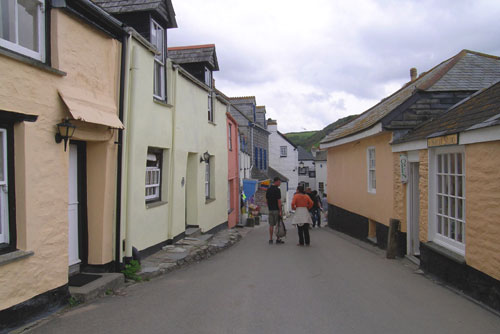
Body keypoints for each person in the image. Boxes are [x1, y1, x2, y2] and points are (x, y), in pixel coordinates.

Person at [265, 177, 283, 244]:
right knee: (277, 225)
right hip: (276, 209)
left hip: (270, 210)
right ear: (276, 181)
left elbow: (266, 200)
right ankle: (278, 239)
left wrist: (269, 206)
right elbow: (279, 201)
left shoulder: (268, 189)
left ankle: (270, 239)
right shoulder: (277, 190)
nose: (280, 183)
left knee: (271, 225)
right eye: (279, 182)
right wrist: (280, 211)